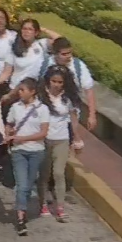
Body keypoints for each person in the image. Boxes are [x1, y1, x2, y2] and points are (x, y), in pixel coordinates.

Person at [4, 77, 49, 236]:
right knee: (22, 185)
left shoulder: (42, 109)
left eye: (22, 90)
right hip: (19, 152)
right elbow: (9, 124)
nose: (19, 92)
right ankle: (21, 219)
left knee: (28, 186)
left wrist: (21, 138)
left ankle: (22, 205)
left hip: (36, 151)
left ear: (32, 92)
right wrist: (8, 133)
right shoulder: (15, 107)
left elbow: (43, 133)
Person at [37, 65, 83, 222]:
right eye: (53, 81)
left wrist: (76, 139)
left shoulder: (68, 99)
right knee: (44, 174)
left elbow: (73, 120)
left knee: (58, 173)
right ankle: (43, 204)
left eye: (60, 82)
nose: (56, 85)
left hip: (62, 140)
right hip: (44, 140)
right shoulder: (41, 97)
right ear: (48, 81)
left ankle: (60, 208)